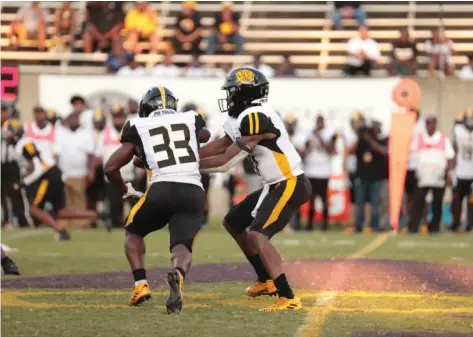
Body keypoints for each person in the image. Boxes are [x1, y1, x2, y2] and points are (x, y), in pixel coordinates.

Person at [199, 67, 311, 311]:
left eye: (232, 92)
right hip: (274, 185)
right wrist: (187, 155)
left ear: (244, 94)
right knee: (233, 222)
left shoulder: (255, 116)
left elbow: (225, 161)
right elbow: (222, 145)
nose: (229, 97)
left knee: (257, 234)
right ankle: (266, 280)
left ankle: (288, 295)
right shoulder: (242, 118)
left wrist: (185, 165)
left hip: (290, 182)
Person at [104, 86, 209, 313]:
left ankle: (140, 284)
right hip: (193, 190)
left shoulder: (137, 125)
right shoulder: (191, 117)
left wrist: (124, 189)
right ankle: (178, 275)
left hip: (162, 188)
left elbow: (110, 167)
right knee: (182, 245)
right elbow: (204, 136)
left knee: (133, 231)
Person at [2, 120, 96, 240]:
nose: (6, 135)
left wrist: (23, 183)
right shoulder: (22, 144)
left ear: (15, 132)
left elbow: (38, 167)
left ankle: (61, 231)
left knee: (34, 208)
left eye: (8, 132)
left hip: (47, 175)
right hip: (51, 174)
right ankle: (96, 215)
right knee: (56, 212)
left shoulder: (24, 144)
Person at [92, 106, 136, 230]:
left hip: (129, 175)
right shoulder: (104, 133)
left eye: (120, 117)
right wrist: (92, 171)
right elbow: (97, 154)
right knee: (115, 203)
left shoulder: (132, 132)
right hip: (112, 176)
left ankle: (133, 223)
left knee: (134, 202)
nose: (118, 120)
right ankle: (115, 222)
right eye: (116, 117)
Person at [408, 117, 455, 233]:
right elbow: (412, 154)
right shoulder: (419, 139)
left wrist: (448, 173)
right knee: (418, 202)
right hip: (423, 176)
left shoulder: (443, 139)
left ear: (435, 125)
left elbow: (450, 157)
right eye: (427, 124)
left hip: (438, 176)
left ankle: (434, 227)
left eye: (431, 124)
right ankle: (413, 227)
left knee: (437, 203)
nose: (429, 127)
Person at [55, 112, 95, 227]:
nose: (73, 121)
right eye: (71, 119)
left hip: (80, 173)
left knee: (79, 199)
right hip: (64, 173)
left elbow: (90, 154)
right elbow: (57, 152)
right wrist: (57, 171)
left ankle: (81, 223)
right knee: (65, 200)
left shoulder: (85, 133)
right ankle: (66, 224)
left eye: (75, 118)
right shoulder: (62, 133)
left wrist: (91, 170)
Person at [350, 119, 388, 233]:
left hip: (375, 178)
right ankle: (358, 227)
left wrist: (370, 140)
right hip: (361, 178)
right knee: (360, 204)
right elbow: (351, 151)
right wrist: (359, 137)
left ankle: (375, 226)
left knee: (375, 205)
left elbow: (383, 152)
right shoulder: (360, 142)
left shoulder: (380, 140)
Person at [1, 104, 32, 229]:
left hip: (13, 164)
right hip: (1, 163)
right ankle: (7, 220)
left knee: (16, 192)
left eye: (3, 111)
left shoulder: (13, 124)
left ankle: (22, 219)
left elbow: (18, 137)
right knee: (2, 194)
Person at [303, 115, 336, 231]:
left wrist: (319, 136)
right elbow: (304, 151)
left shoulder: (330, 134)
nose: (319, 124)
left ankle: (325, 224)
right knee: (311, 199)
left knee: (324, 199)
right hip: (310, 171)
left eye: (321, 122)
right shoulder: (309, 134)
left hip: (323, 172)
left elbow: (330, 149)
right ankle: (309, 224)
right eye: (318, 122)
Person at [450, 111, 473, 232]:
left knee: (471, 201)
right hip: (460, 171)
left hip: (472, 172)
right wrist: (451, 169)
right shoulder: (458, 131)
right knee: (457, 199)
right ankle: (456, 223)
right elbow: (453, 149)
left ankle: (470, 224)